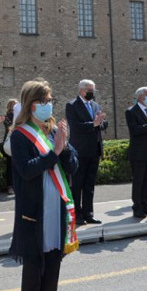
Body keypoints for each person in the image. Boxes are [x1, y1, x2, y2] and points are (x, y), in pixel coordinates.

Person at [7, 79, 78, 291]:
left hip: (56, 208)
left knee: (53, 263)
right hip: (34, 212)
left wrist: (64, 146)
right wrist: (55, 152)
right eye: (44, 101)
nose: (49, 105)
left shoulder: (53, 131)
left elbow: (73, 165)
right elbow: (27, 170)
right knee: (34, 266)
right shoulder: (20, 135)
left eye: (50, 101)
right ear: (31, 103)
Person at [65, 79, 107, 224]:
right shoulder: (72, 105)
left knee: (89, 184)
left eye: (93, 90)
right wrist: (93, 124)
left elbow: (102, 124)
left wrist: (101, 123)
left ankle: (88, 213)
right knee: (77, 184)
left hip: (94, 149)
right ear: (82, 90)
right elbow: (75, 126)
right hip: (80, 150)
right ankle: (77, 214)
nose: (92, 93)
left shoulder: (95, 105)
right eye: (90, 90)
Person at [126, 87, 147, 218]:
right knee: (139, 181)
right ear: (140, 97)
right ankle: (137, 208)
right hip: (139, 152)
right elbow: (134, 130)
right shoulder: (131, 111)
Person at [1, 99, 17, 195]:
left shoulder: (19, 115)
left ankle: (15, 185)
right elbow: (9, 127)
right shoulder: (7, 116)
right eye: (14, 104)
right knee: (10, 165)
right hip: (10, 142)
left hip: (17, 141)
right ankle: (10, 186)